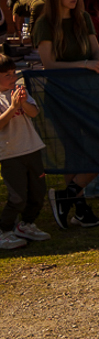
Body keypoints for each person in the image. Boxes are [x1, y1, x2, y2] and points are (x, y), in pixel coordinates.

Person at [35, 0, 99, 230]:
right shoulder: (45, 23)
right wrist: (85, 64)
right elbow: (49, 65)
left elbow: (97, 52)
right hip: (62, 96)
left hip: (90, 94)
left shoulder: (84, 18)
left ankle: (67, 196)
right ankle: (79, 208)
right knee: (73, 152)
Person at [0, 55, 51, 250]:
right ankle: (4, 230)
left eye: (14, 73)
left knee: (38, 192)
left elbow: (34, 112)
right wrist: (13, 107)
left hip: (31, 148)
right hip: (10, 154)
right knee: (18, 196)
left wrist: (22, 103)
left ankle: (27, 224)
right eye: (7, 75)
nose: (13, 78)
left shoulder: (20, 92)